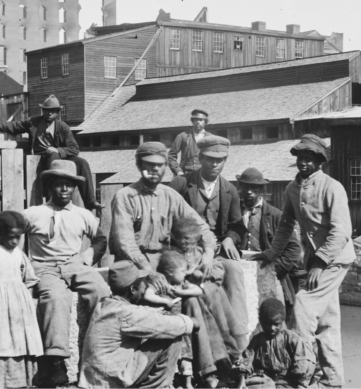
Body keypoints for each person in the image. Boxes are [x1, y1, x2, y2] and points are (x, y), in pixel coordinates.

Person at [108, 142, 240, 388]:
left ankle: (223, 362)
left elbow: (200, 227)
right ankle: (211, 370)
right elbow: (125, 243)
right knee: (188, 299)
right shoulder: (124, 197)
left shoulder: (170, 195)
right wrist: (148, 272)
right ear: (139, 166)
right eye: (148, 166)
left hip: (167, 264)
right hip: (136, 267)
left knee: (205, 292)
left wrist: (209, 252)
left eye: (158, 166)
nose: (154, 171)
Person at [251, 135, 356, 389]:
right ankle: (333, 381)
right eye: (300, 158)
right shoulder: (292, 188)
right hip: (315, 260)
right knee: (327, 321)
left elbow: (342, 231)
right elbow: (286, 225)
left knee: (303, 305)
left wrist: (319, 264)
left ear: (320, 162)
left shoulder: (332, 187)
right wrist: (270, 253)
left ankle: (302, 374)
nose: (304, 163)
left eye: (309, 159)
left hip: (335, 258)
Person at [22, 160, 110, 388]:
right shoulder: (33, 213)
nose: (64, 190)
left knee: (101, 291)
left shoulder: (82, 215)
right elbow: (12, 239)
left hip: (74, 264)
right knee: (55, 298)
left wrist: (87, 256)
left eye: (69, 185)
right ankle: (56, 360)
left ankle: (99, 350)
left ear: (74, 188)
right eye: (59, 184)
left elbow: (101, 240)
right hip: (44, 266)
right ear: (50, 186)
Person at [169, 135, 249, 349]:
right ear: (200, 158)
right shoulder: (182, 183)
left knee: (234, 270)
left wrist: (231, 239)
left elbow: (237, 224)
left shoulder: (229, 189)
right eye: (210, 159)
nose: (215, 164)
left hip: (218, 248)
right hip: (185, 248)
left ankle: (240, 339)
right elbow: (168, 218)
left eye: (220, 160)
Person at [78, 260, 199, 389]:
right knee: (172, 334)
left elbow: (143, 314)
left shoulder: (105, 304)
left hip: (97, 379)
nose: (145, 289)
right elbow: (163, 325)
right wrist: (190, 322)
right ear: (133, 289)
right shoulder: (126, 313)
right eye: (143, 285)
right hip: (111, 382)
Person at [0, 94, 101, 210]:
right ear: (42, 111)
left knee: (82, 162)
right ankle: (52, 199)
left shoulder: (62, 126)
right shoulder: (34, 123)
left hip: (59, 156)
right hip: (40, 158)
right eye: (46, 110)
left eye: (52, 111)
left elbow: (74, 149)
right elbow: (15, 125)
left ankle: (90, 201)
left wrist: (58, 150)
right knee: (52, 155)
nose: (49, 113)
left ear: (57, 112)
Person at [0, 211, 43, 389]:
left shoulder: (19, 254)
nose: (14, 241)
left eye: (18, 237)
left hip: (19, 306)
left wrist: (27, 302)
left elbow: (30, 279)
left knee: (20, 340)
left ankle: (21, 382)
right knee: (0, 341)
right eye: (11, 237)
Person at [237, 168, 306, 323]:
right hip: (241, 273)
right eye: (245, 187)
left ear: (261, 190)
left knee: (272, 319)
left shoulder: (275, 215)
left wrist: (276, 269)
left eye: (253, 188)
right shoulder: (236, 213)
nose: (249, 192)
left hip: (268, 271)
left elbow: (294, 248)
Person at [143, 250, 203, 389]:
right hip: (165, 325)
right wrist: (164, 302)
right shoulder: (161, 282)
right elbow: (148, 295)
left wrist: (183, 292)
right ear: (170, 272)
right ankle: (171, 382)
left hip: (180, 325)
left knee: (185, 350)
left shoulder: (180, 284)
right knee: (169, 354)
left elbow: (198, 290)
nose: (185, 274)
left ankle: (187, 383)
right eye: (182, 271)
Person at [233, 298, 315, 389]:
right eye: (268, 324)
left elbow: (302, 361)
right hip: (263, 382)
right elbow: (246, 360)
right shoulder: (257, 340)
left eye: (276, 324)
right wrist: (241, 379)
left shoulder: (291, 338)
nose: (272, 328)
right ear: (261, 322)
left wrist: (300, 384)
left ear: (282, 321)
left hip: (287, 382)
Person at [168, 109, 212, 176]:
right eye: (196, 120)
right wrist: (178, 171)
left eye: (201, 120)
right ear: (192, 121)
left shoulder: (211, 138)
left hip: (204, 174)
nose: (198, 122)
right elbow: (171, 155)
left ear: (205, 122)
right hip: (186, 173)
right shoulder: (182, 136)